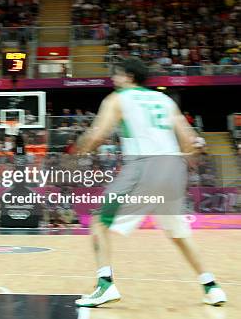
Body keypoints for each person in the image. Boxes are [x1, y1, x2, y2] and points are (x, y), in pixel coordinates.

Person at [75, 57, 226, 307]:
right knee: (178, 234)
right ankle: (211, 286)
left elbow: (98, 135)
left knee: (99, 222)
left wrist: (81, 149)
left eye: (118, 74)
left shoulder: (117, 99)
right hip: (173, 169)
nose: (114, 78)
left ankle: (105, 285)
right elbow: (190, 140)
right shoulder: (164, 100)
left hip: (144, 167)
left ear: (129, 77)